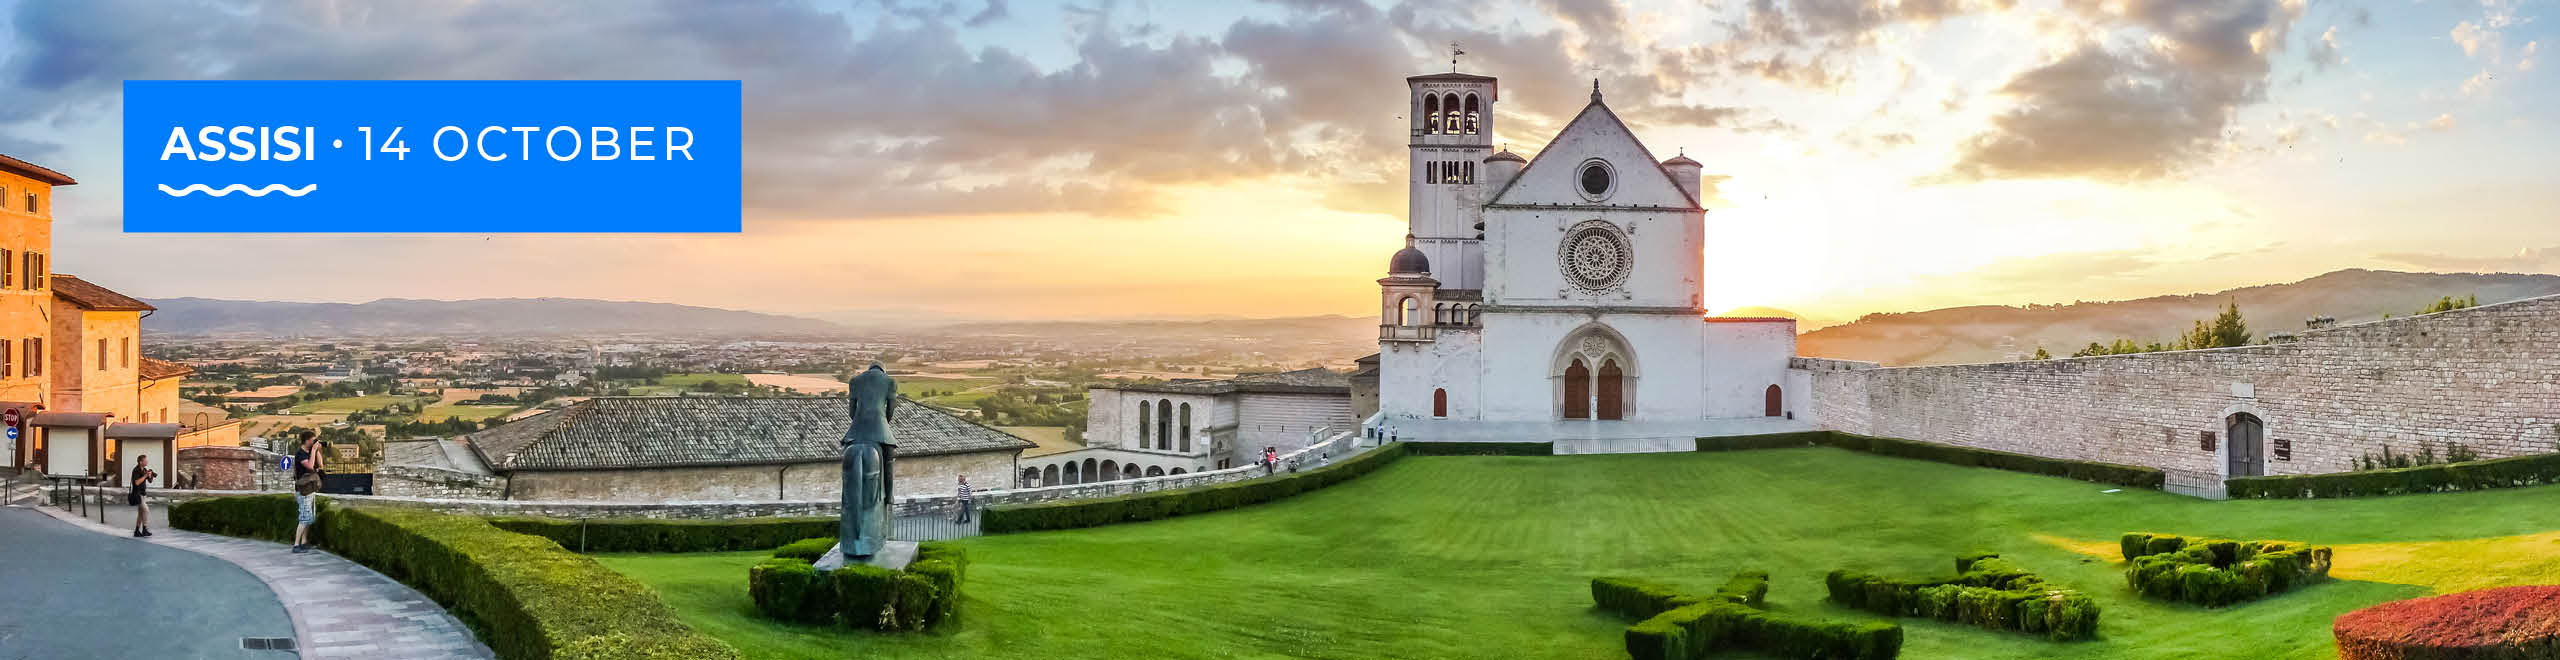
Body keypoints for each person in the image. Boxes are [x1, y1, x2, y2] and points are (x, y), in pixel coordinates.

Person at [290, 431, 323, 554]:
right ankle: (296, 545)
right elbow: (309, 466)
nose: (314, 442)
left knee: (309, 518)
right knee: (304, 518)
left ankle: (304, 542)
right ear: (307, 440)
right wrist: (313, 451)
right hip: (303, 491)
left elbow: (320, 464)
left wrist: (317, 450)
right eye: (313, 440)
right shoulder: (300, 454)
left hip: (310, 489)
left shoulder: (310, 452)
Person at [129, 454, 157, 537]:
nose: (147, 461)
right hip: (138, 494)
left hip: (143, 494)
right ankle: (144, 530)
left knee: (141, 513)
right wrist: (145, 475)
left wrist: (150, 475)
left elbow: (150, 481)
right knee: (146, 510)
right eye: (145, 460)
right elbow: (136, 482)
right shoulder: (136, 470)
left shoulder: (144, 469)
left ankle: (137, 531)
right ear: (140, 462)